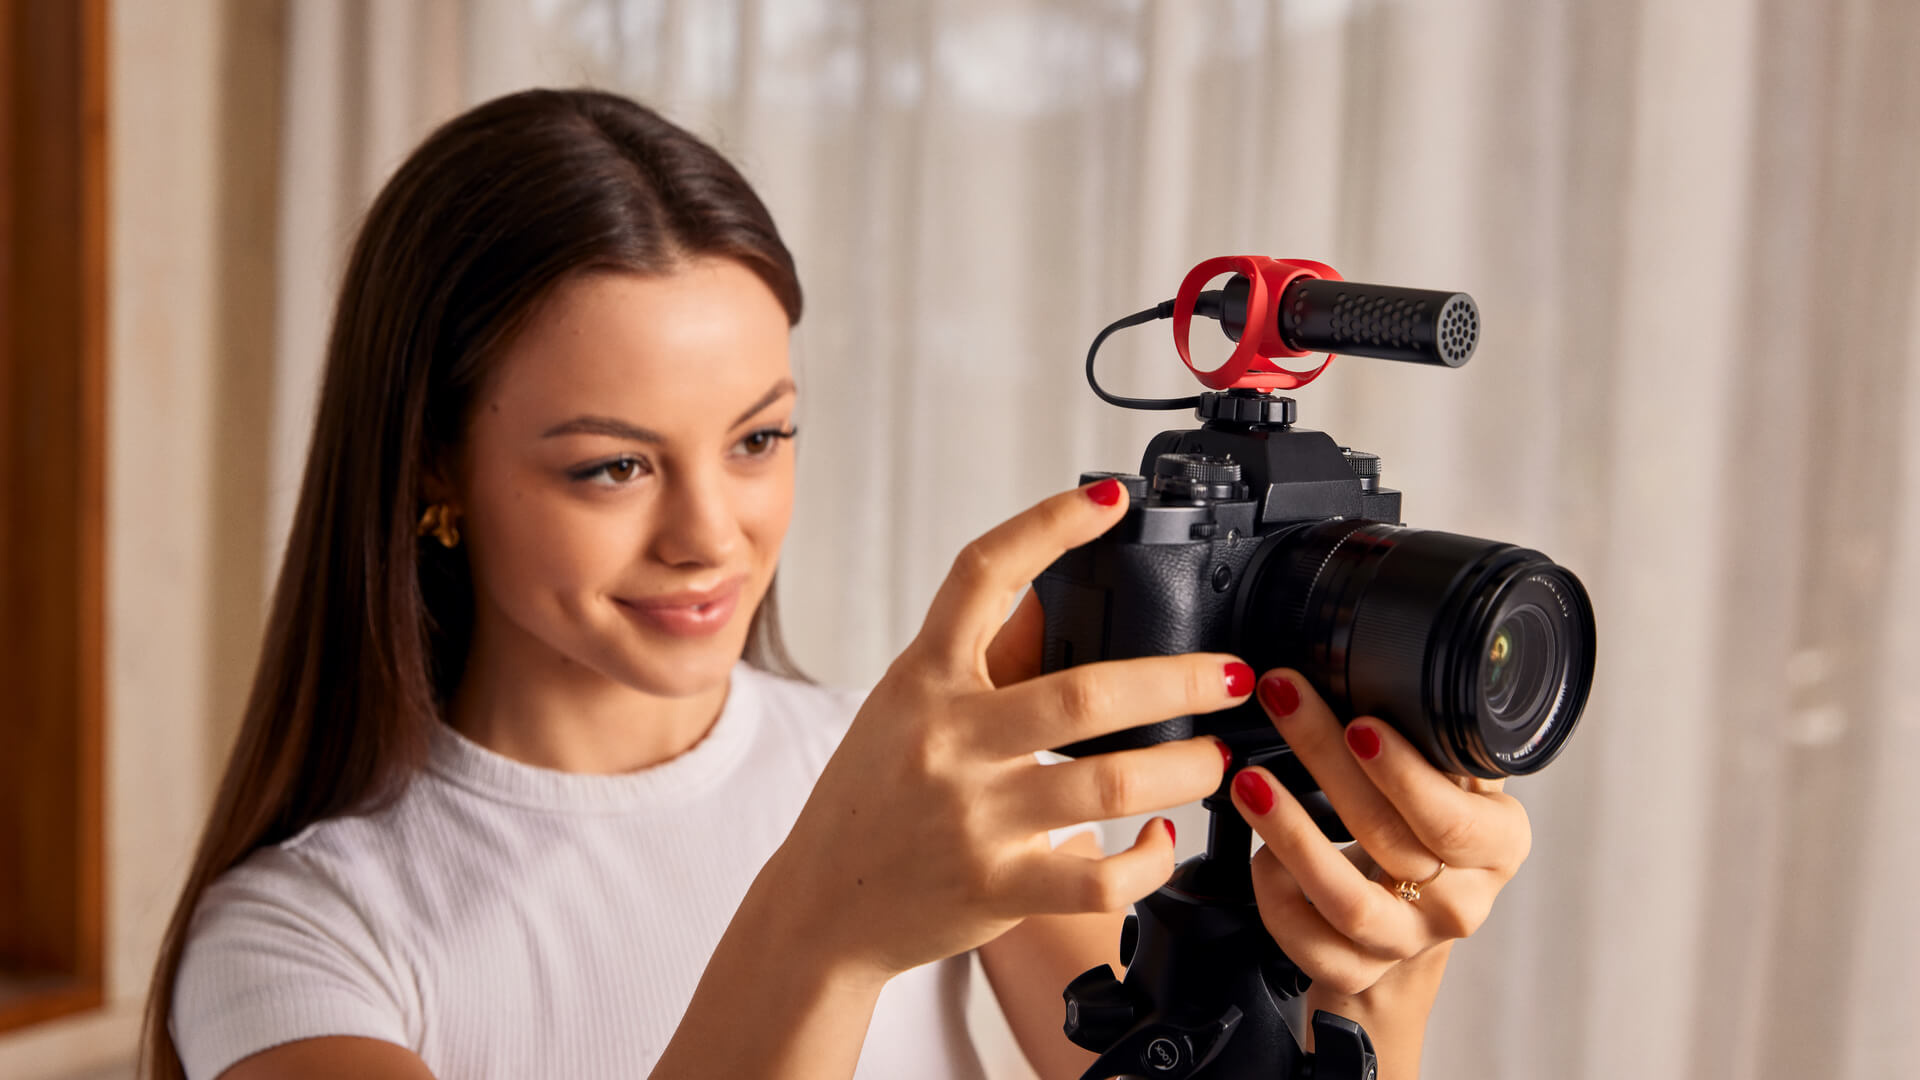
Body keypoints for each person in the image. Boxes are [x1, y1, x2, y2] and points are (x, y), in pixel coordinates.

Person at [142, 88, 1531, 1080]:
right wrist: (826, 925)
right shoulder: (294, 944)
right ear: (433, 471)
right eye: (613, 469)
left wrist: (1369, 1006)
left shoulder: (925, 782)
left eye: (759, 440)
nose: (711, 536)